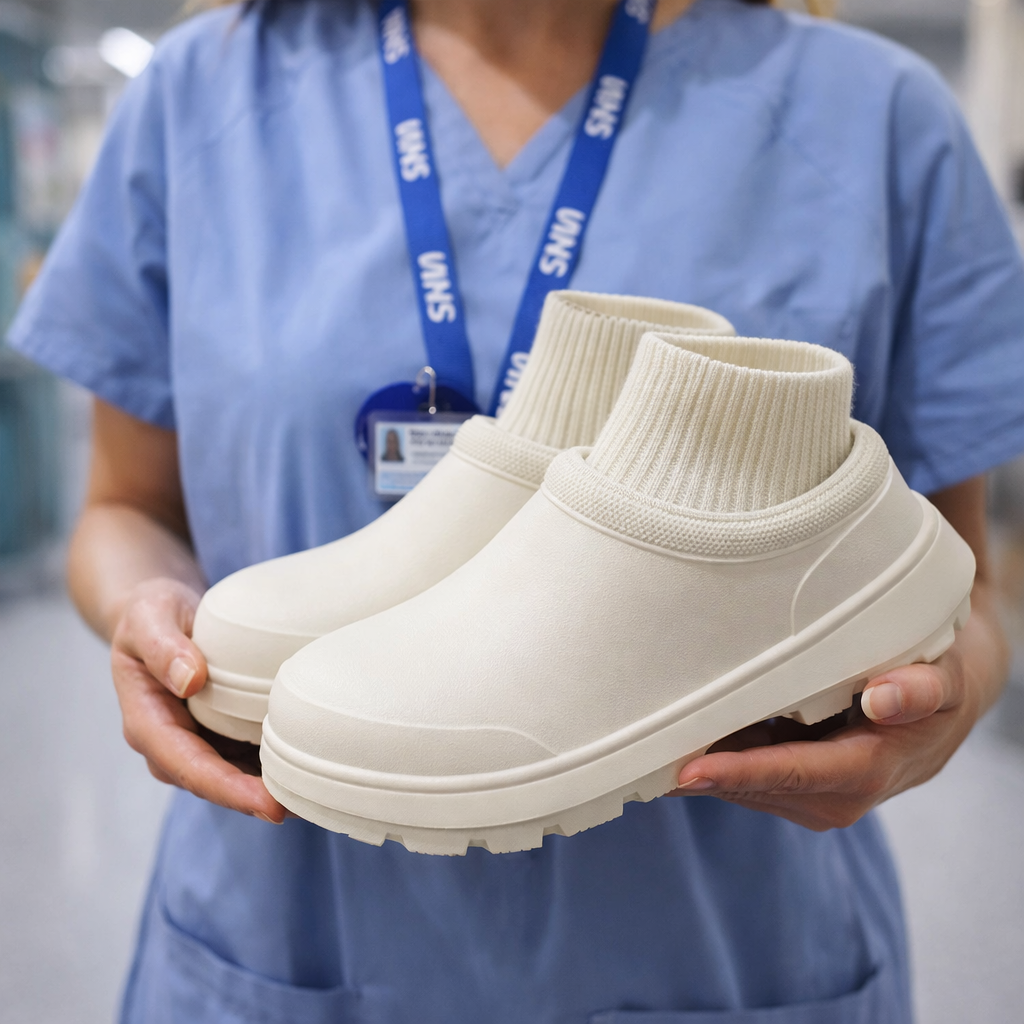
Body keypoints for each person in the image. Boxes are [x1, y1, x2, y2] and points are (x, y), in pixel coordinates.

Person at [8, 0, 1023, 1019]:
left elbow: (946, 580)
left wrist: (937, 716)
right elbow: (123, 506)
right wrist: (151, 608)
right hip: (282, 923)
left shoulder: (877, 115)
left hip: (718, 933)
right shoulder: (204, 90)